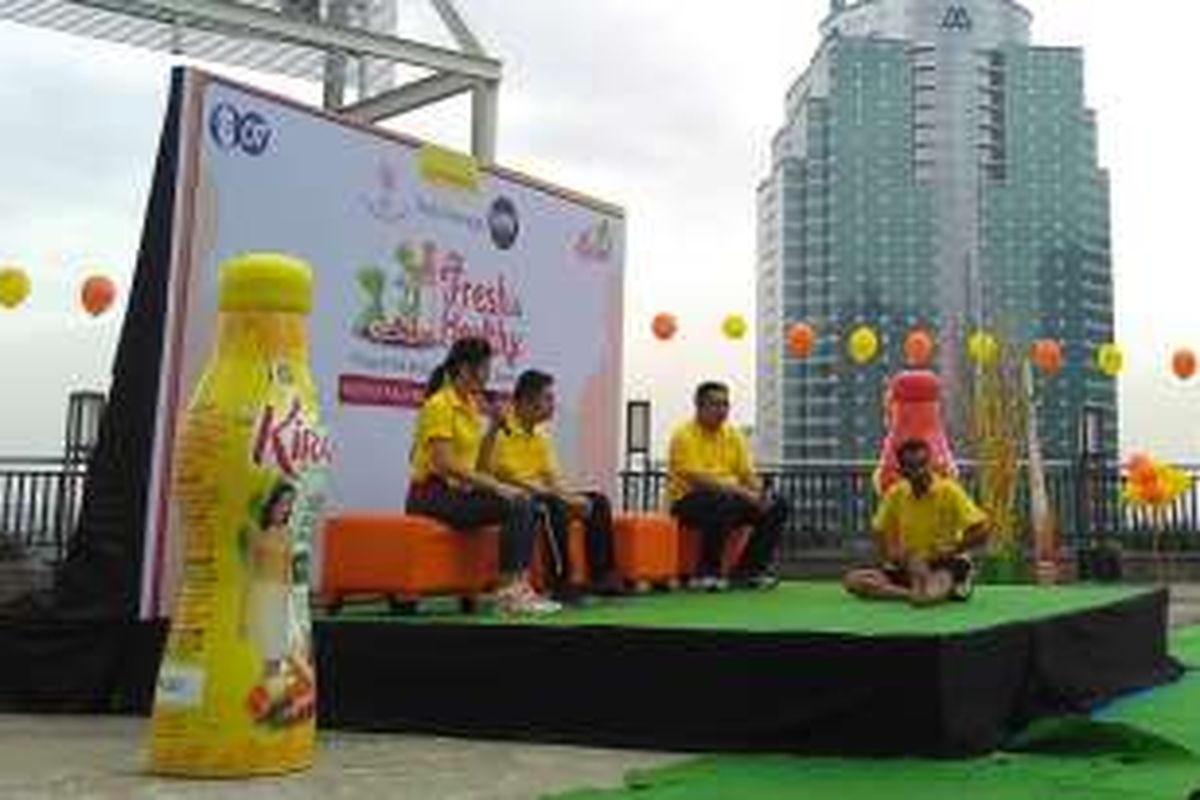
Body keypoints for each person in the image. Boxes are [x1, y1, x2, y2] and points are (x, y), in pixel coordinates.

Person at [406, 337, 560, 616]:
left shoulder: (471, 406)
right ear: (465, 369)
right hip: (431, 495)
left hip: (458, 493)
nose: (489, 376)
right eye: (485, 368)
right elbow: (444, 464)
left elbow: (478, 466)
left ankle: (518, 586)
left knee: (525, 502)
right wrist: (497, 487)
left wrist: (492, 430)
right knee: (515, 501)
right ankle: (507, 593)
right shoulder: (439, 405)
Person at [480, 369, 624, 601]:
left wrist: (571, 497)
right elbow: (507, 478)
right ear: (527, 401)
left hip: (542, 492)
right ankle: (560, 582)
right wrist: (561, 497)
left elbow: (552, 478)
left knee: (597, 501)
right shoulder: (501, 431)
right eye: (547, 398)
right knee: (553, 505)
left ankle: (602, 576)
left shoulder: (540, 436)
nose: (553, 404)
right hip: (515, 497)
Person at [667, 381, 789, 591]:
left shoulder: (734, 435)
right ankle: (706, 574)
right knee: (721, 500)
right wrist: (743, 492)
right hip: (688, 501)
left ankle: (749, 571)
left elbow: (747, 474)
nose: (721, 410)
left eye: (725, 404)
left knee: (777, 504)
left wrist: (761, 494)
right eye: (714, 404)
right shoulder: (683, 435)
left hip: (731, 500)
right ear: (699, 406)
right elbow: (698, 480)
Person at [844, 438, 991, 606]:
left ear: (931, 464)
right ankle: (913, 593)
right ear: (902, 470)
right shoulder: (896, 493)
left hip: (943, 563)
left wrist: (954, 548)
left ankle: (920, 591)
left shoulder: (950, 491)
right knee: (852, 580)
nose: (920, 471)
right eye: (912, 467)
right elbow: (879, 530)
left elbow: (982, 529)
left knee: (938, 585)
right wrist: (892, 554)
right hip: (907, 564)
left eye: (923, 464)